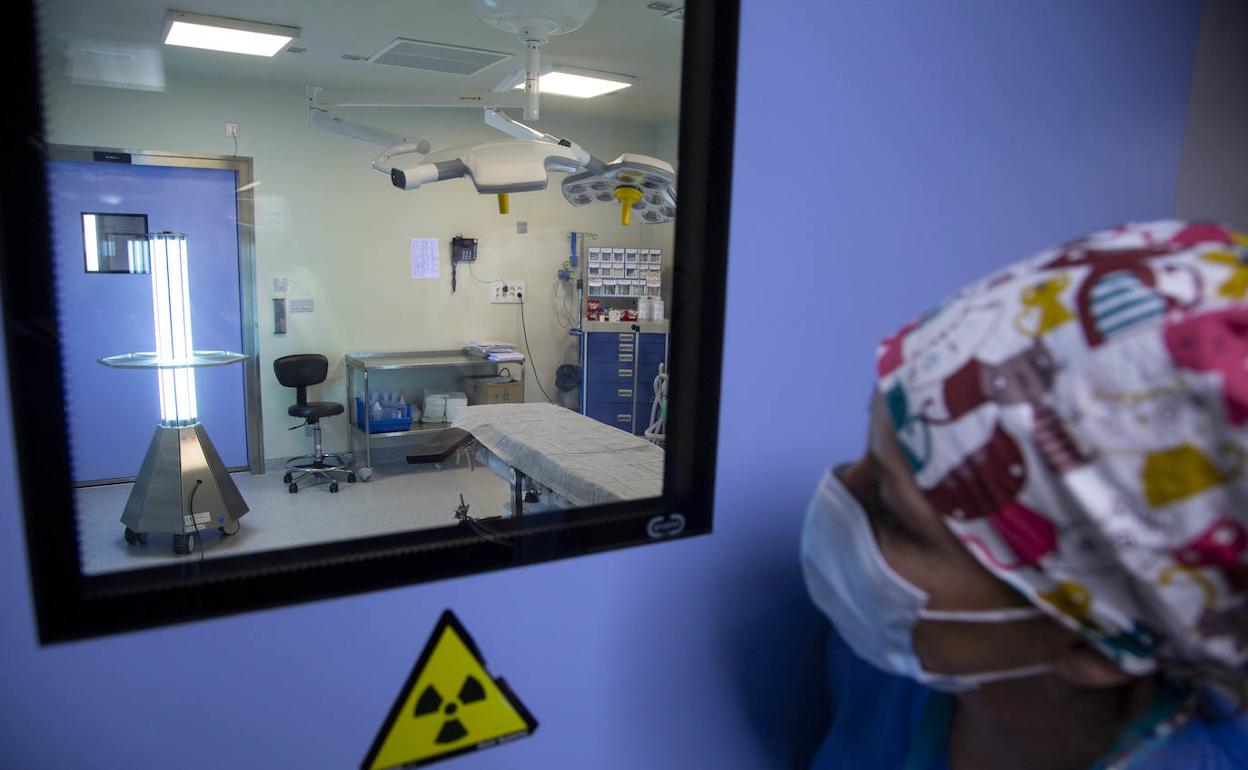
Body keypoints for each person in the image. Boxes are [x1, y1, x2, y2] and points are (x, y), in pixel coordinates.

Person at [802, 220, 1248, 769]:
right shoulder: (886, 674)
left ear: (1090, 644)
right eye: (868, 458)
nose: (838, 495)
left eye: (893, 515)